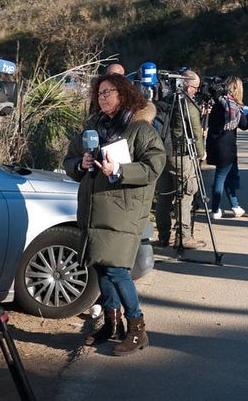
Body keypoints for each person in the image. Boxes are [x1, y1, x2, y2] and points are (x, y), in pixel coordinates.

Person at [64, 74, 165, 354]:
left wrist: (118, 171)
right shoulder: (93, 126)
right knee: (101, 266)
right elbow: (70, 159)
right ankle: (111, 324)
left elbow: (154, 166)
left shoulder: (140, 129)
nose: (102, 97)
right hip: (94, 208)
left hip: (123, 210)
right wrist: (81, 164)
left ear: (124, 95)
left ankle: (136, 330)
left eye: (108, 92)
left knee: (118, 269)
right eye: (99, 93)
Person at [154, 70, 206, 250]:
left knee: (165, 195)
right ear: (187, 86)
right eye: (195, 88)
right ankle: (183, 236)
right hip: (181, 154)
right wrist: (201, 153)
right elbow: (196, 133)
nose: (196, 91)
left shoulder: (166, 100)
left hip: (163, 153)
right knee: (186, 193)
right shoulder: (187, 105)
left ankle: (163, 236)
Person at [205, 76, 248, 220]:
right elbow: (244, 124)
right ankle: (215, 209)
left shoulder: (219, 103)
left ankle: (235, 206)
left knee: (230, 176)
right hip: (227, 147)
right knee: (221, 177)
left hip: (214, 144)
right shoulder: (233, 106)